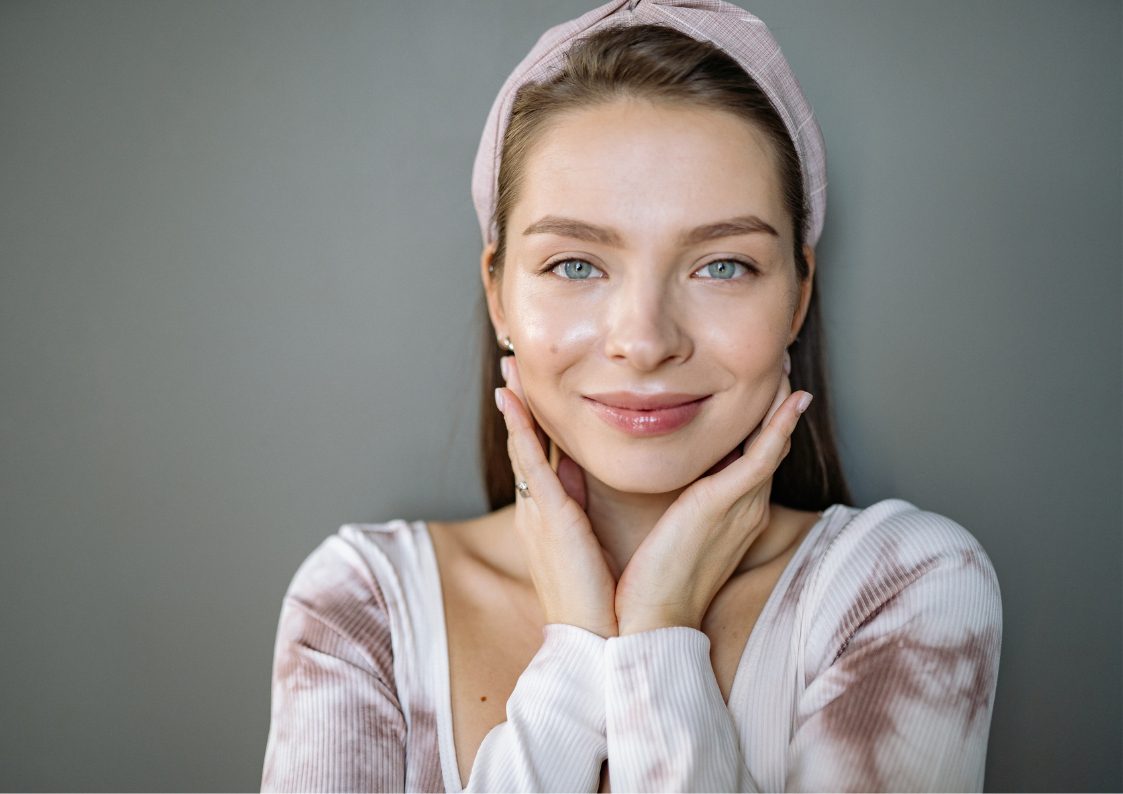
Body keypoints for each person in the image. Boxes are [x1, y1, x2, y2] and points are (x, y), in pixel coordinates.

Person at [259, 1, 1003, 791]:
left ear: (796, 297)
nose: (645, 341)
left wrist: (657, 635)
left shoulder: (902, 587)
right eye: (575, 265)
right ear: (500, 296)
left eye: (722, 265)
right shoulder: (362, 606)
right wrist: (577, 652)